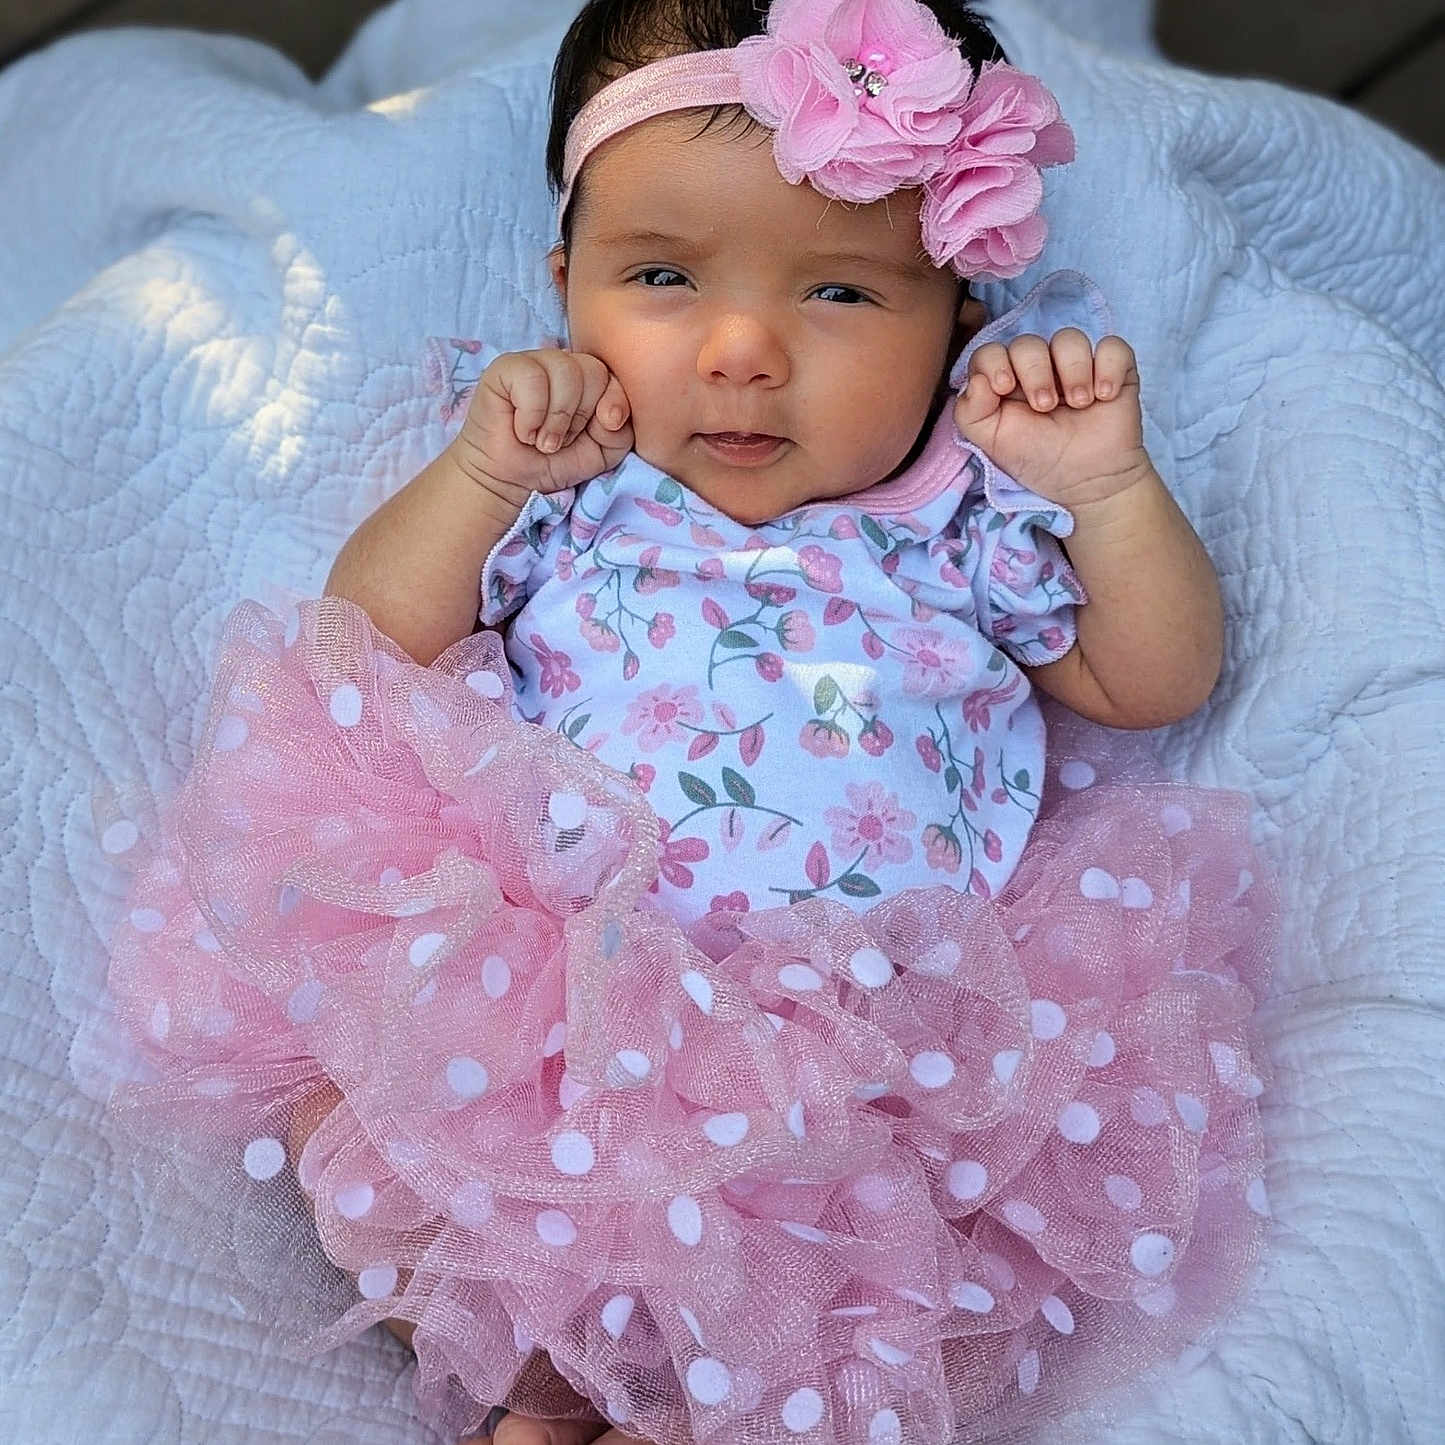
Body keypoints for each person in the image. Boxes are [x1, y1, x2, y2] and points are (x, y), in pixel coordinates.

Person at [101, 1, 1278, 1442]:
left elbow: (1149, 680)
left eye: (839, 295)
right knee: (389, 1138)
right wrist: (479, 477)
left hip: (857, 1053)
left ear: (956, 324)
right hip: (562, 1000)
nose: (739, 350)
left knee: (855, 1284)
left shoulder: (962, 515)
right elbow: (378, 639)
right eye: (660, 276)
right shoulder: (575, 483)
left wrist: (1104, 491)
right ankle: (535, 1388)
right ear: (567, 288)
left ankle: (676, 1410)